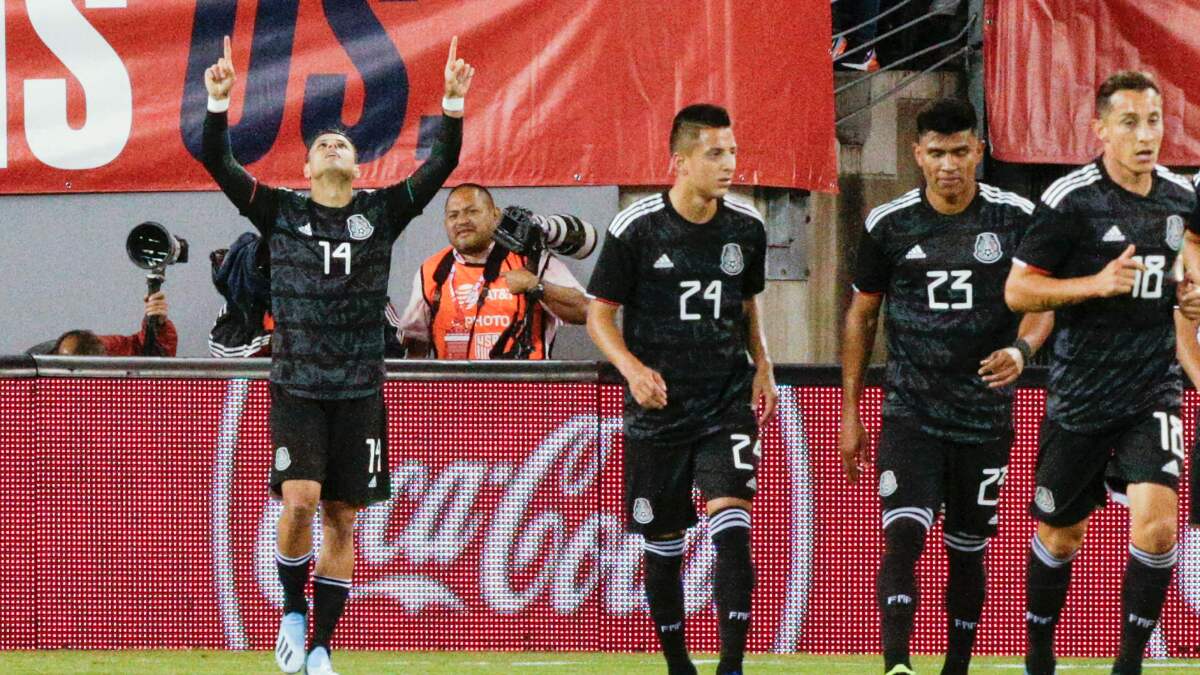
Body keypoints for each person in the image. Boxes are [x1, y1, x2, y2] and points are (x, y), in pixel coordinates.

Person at [199, 35, 473, 675]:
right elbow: (219, 162)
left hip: (360, 388)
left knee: (341, 516)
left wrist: (453, 105)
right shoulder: (279, 210)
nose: (331, 145)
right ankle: (292, 615)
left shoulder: (381, 212)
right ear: (305, 169)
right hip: (297, 381)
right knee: (299, 500)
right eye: (321, 143)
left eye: (343, 144)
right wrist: (219, 103)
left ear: (356, 167)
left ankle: (321, 646)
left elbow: (439, 167)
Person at [840, 98, 1052, 675]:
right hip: (911, 410)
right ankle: (897, 666)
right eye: (936, 153)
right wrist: (851, 410)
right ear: (917, 155)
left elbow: (1043, 302)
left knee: (967, 548)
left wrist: (1021, 349)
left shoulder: (1016, 219)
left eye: (960, 151)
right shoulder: (888, 224)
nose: (949, 165)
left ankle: (956, 667)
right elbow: (861, 315)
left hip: (985, 415)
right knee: (904, 533)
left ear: (979, 151)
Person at [1006, 71, 1200, 675]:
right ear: (1100, 130)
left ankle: (1128, 665)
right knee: (1062, 536)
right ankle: (1040, 650)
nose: (1146, 137)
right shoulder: (1070, 201)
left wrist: (1191, 294)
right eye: (1130, 123)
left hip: (1152, 391)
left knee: (1160, 528)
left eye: (1154, 122)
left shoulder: (1179, 198)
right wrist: (1095, 283)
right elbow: (1017, 292)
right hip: (1080, 397)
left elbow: (1185, 270)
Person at [586, 103, 777, 675]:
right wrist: (631, 369)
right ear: (681, 161)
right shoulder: (637, 228)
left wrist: (763, 363)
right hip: (659, 407)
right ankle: (678, 665)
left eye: (733, 151)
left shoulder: (747, 228)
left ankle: (732, 666)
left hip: (725, 399)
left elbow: (746, 304)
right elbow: (600, 316)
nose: (729, 164)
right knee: (663, 543)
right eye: (715, 153)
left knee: (732, 524)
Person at [398, 183, 588, 359]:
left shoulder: (531, 259)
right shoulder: (432, 270)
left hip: (524, 389)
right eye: (453, 215)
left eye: (472, 211)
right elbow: (416, 341)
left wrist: (536, 286)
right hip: (454, 391)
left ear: (495, 215)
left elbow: (587, 311)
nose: (462, 221)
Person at [207, 234, 406, 358]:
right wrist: (273, 342)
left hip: (346, 399)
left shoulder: (353, 289)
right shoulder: (243, 301)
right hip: (264, 406)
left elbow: (397, 340)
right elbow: (219, 347)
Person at [29, 291, 178, 356]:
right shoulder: (33, 373)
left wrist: (157, 324)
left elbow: (147, 350)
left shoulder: (109, 349)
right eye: (73, 368)